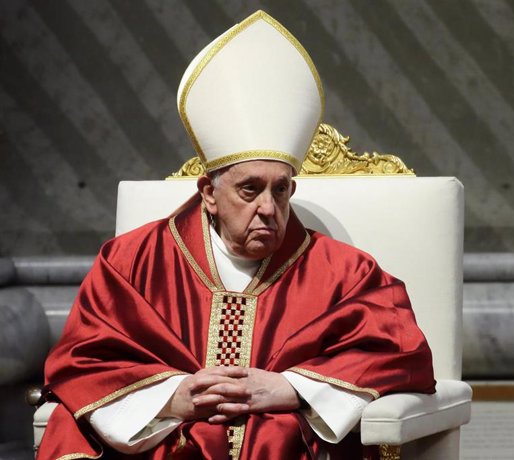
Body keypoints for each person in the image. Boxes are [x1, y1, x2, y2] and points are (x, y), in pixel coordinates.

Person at [37, 10, 435, 460]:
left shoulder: (344, 272)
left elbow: (403, 351)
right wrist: (171, 397)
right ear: (209, 192)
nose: (268, 208)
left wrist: (293, 388)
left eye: (280, 190)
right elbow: (82, 359)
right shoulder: (134, 261)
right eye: (250, 189)